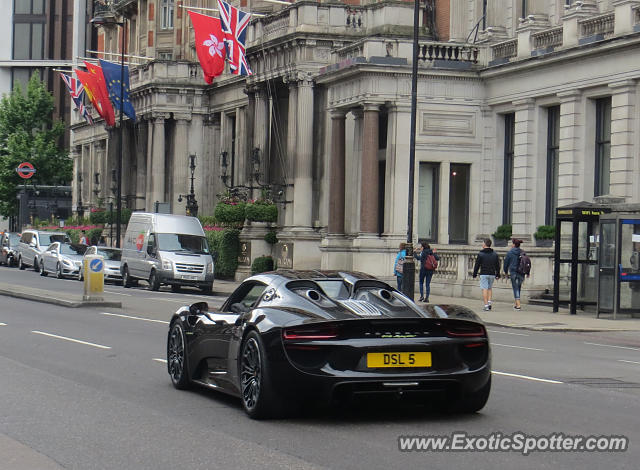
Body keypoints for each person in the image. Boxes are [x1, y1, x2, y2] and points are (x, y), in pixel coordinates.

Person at [472, 238, 501, 311]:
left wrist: (474, 273)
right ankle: (489, 302)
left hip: (484, 273)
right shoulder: (494, 254)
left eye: (482, 243)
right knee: (489, 288)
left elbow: (477, 265)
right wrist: (498, 274)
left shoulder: (481, 254)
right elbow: (497, 265)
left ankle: (486, 305)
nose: (482, 244)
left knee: (484, 289)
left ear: (485, 244)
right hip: (492, 274)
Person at [503, 238, 526, 310]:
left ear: (513, 244)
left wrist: (506, 271)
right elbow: (526, 262)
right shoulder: (522, 252)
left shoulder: (510, 252)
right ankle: (516, 303)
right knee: (518, 287)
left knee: (515, 288)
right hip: (521, 272)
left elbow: (506, 263)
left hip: (513, 272)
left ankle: (518, 305)